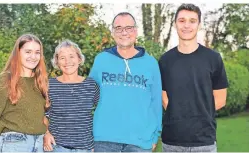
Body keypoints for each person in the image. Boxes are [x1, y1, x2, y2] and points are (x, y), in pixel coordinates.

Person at [159, 4, 228, 152]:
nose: (186, 25)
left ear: (199, 25)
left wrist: (195, 114)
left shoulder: (213, 58)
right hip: (172, 142)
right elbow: (164, 98)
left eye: (192, 21)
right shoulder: (165, 60)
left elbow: (221, 99)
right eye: (182, 20)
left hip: (204, 142)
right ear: (175, 24)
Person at [89, 12, 162, 152]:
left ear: (135, 31)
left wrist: (154, 136)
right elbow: (88, 97)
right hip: (104, 140)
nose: (124, 32)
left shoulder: (151, 63)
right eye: (119, 28)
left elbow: (156, 102)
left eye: (128, 28)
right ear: (112, 32)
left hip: (139, 141)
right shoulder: (101, 60)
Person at [0, 34, 48, 152]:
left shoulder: (41, 82)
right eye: (28, 52)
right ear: (18, 53)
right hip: (13, 145)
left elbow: (43, 117)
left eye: (37, 52)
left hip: (39, 145)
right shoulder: (3, 81)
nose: (33, 56)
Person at [43, 40, 100, 152]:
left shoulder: (91, 85)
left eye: (71, 56)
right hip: (56, 148)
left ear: (79, 59)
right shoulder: (49, 85)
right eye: (62, 58)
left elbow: (103, 112)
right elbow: (41, 114)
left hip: (85, 149)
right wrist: (46, 133)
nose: (67, 61)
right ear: (57, 62)